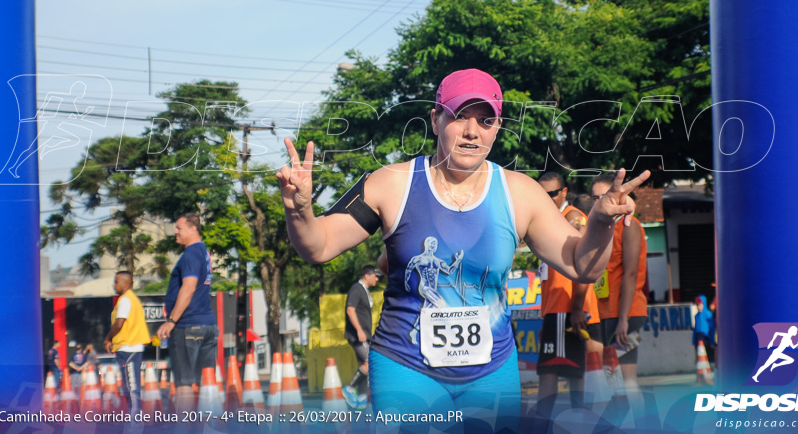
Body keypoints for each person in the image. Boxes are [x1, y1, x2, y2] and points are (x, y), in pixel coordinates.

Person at [277, 69, 649, 431]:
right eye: (459, 117)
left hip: (492, 371)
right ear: (436, 119)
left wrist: (600, 222)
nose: (472, 131)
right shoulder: (392, 184)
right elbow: (319, 245)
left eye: (486, 121)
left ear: (498, 127)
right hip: (406, 368)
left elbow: (581, 266)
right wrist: (299, 211)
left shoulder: (519, 192)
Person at [536, 173, 604, 412]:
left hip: (568, 309)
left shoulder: (572, 217)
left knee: (549, 375)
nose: (548, 198)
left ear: (564, 192)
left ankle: (540, 426)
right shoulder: (549, 220)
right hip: (557, 310)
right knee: (575, 377)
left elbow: (587, 265)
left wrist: (577, 309)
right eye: (542, 194)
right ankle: (584, 423)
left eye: (552, 193)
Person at [156, 214, 218, 416]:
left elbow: (189, 287)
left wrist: (171, 320)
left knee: (184, 385)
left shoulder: (190, 254)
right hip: (207, 325)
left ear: (193, 230)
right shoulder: (203, 252)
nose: (175, 231)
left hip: (187, 326)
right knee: (204, 383)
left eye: (179, 228)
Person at [591, 172, 648, 392]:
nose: (599, 201)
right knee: (613, 379)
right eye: (594, 197)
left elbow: (631, 274)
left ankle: (637, 426)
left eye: (603, 195)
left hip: (627, 312)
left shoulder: (629, 225)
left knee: (626, 379)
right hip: (607, 312)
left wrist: (623, 319)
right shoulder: (602, 229)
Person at [104, 271, 150, 415]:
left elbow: (119, 324)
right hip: (129, 347)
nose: (113, 284)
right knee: (129, 384)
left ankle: (135, 417)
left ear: (125, 283)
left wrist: (108, 338)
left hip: (129, 347)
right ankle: (133, 414)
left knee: (131, 385)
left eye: (116, 281)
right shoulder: (131, 299)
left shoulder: (125, 299)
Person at [343, 264, 382, 408]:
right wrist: (359, 330)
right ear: (367, 276)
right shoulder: (356, 289)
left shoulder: (364, 291)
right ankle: (350, 388)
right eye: (375, 276)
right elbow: (350, 310)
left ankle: (360, 398)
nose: (377, 279)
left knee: (363, 365)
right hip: (358, 335)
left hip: (365, 335)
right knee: (370, 362)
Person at [692, 294, 717, 368]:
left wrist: (712, 341)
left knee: (707, 354)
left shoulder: (708, 314)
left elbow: (712, 328)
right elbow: (695, 329)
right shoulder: (697, 316)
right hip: (698, 337)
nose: (699, 307)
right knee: (699, 354)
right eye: (697, 305)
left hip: (706, 337)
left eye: (700, 305)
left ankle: (710, 367)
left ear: (704, 304)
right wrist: (693, 341)